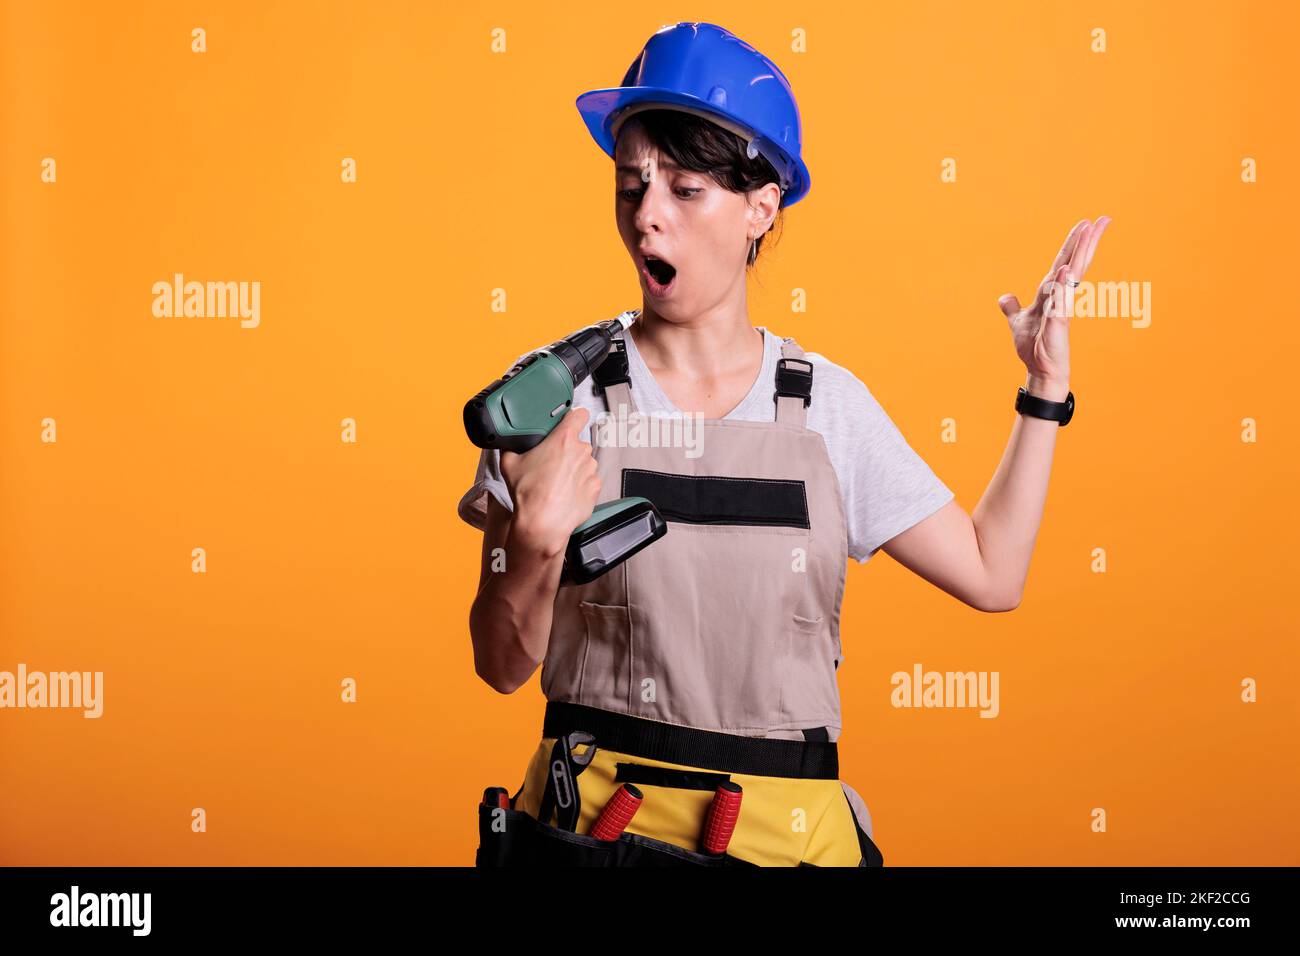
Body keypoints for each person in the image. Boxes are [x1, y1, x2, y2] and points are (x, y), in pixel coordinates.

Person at [458, 21, 1109, 867]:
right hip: (589, 840)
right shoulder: (553, 399)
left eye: (685, 189)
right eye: (632, 184)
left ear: (762, 205)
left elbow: (994, 571)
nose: (648, 215)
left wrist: (1044, 389)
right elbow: (501, 665)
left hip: (787, 847)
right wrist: (537, 548)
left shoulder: (827, 406)